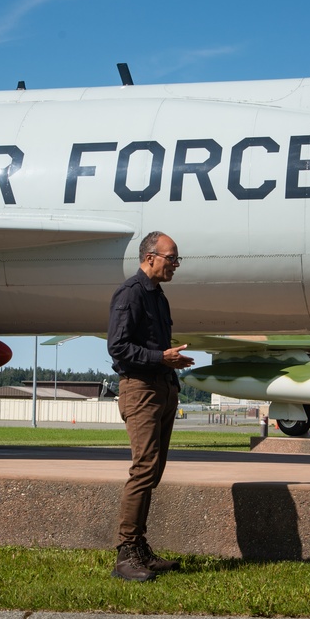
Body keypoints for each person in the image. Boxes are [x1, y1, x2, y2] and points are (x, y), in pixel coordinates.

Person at [107, 231, 195, 582]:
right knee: (144, 469)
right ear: (149, 257)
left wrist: (169, 364)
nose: (175, 264)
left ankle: (140, 547)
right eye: (171, 258)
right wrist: (161, 357)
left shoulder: (159, 297)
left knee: (154, 471)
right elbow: (118, 347)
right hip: (140, 389)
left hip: (162, 388)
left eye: (176, 259)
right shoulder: (130, 294)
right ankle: (125, 554)